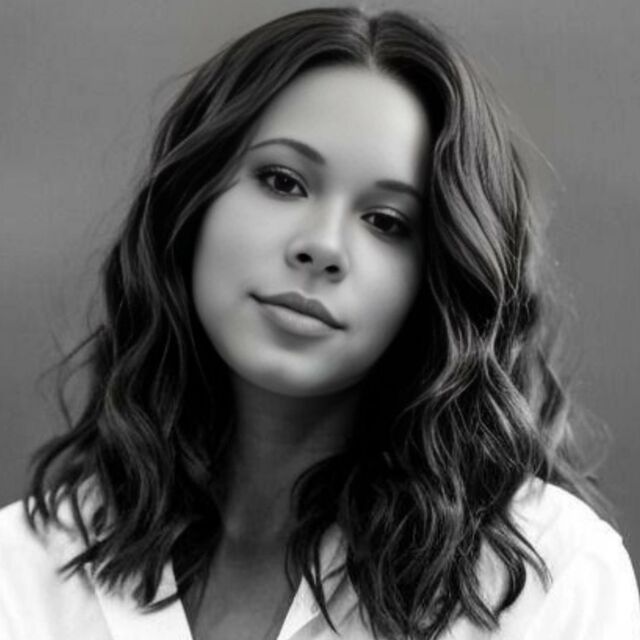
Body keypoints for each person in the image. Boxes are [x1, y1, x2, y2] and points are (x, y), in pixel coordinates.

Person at [0, 5, 638, 640]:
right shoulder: (21, 572)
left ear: (435, 278)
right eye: (282, 181)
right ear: (190, 203)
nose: (322, 246)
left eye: (386, 222)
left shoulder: (550, 580)